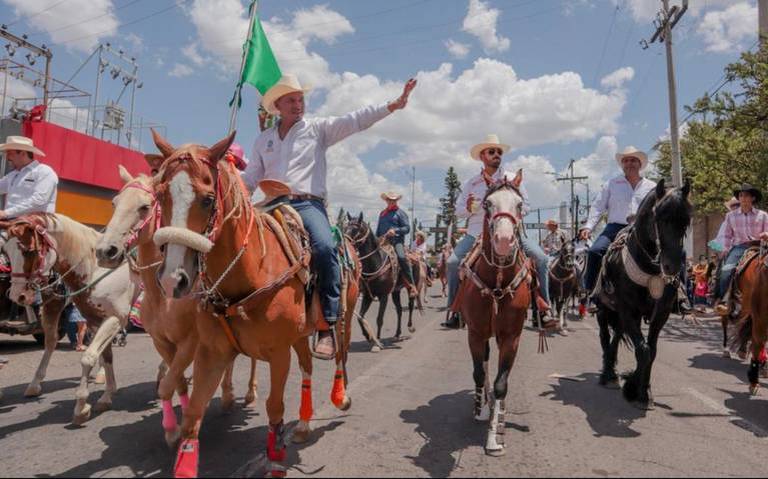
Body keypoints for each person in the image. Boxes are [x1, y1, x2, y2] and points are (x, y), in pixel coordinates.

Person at [243, 73, 417, 359]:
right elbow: (252, 177)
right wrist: (236, 189)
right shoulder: (264, 140)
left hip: (307, 205)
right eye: (291, 100)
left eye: (301, 99)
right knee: (237, 240)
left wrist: (393, 105)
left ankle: (327, 323)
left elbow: (355, 120)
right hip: (270, 203)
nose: (298, 104)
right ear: (278, 105)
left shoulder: (318, 129)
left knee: (324, 248)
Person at [442, 134, 556, 330]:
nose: (496, 155)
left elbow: (526, 205)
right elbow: (459, 211)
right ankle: (455, 310)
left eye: (499, 152)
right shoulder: (472, 183)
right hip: (476, 233)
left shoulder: (512, 179)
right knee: (452, 263)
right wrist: (470, 208)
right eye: (491, 152)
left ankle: (543, 311)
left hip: (511, 231)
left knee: (542, 259)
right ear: (482, 156)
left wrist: (513, 212)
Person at [579, 146, 657, 309]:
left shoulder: (651, 186)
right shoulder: (612, 184)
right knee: (595, 252)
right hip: (615, 227)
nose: (630, 163)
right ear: (622, 165)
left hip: (643, 229)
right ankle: (591, 292)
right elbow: (598, 207)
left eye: (633, 160)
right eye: (626, 160)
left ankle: (678, 296)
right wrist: (588, 227)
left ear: (640, 164)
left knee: (673, 253)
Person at [714, 184, 768, 315]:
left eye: (746, 195)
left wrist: (766, 234)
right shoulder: (730, 216)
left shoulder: (763, 215)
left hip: (760, 245)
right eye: (741, 196)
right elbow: (726, 235)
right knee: (726, 270)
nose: (743, 198)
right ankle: (725, 300)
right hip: (739, 247)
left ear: (753, 198)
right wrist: (725, 250)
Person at [0, 136, 58, 219]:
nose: (8, 158)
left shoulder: (44, 171)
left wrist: (6, 213)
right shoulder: (13, 175)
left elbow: (38, 201)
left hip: (35, 225)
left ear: (23, 153)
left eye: (10, 154)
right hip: (14, 222)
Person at [376, 192, 419, 298]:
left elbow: (407, 228)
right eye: (389, 199)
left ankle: (412, 285)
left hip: (396, 242)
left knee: (401, 257)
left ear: (396, 201)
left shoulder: (401, 213)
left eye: (393, 200)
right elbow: (378, 230)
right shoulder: (382, 213)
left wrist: (395, 230)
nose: (391, 201)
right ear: (386, 200)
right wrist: (376, 239)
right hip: (382, 242)